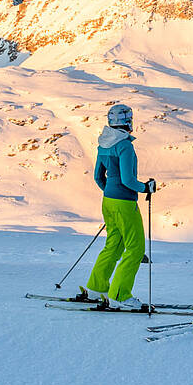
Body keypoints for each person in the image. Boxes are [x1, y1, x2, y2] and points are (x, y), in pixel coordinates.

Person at [78, 104, 156, 310]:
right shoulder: (125, 146)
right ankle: (120, 295)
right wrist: (146, 188)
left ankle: (96, 287)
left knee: (114, 244)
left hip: (108, 201)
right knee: (135, 248)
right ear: (128, 121)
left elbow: (98, 176)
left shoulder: (103, 143)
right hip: (124, 202)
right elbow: (128, 180)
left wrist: (110, 192)